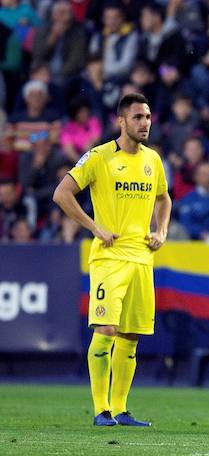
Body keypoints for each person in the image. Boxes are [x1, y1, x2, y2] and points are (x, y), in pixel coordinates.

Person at [52, 93, 171, 427]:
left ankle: (120, 409)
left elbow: (164, 198)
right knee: (106, 329)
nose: (144, 123)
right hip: (110, 258)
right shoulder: (99, 157)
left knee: (131, 336)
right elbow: (61, 194)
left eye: (147, 117)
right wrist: (95, 228)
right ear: (121, 121)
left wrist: (160, 231)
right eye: (137, 117)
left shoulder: (153, 160)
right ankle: (100, 409)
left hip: (142, 259)